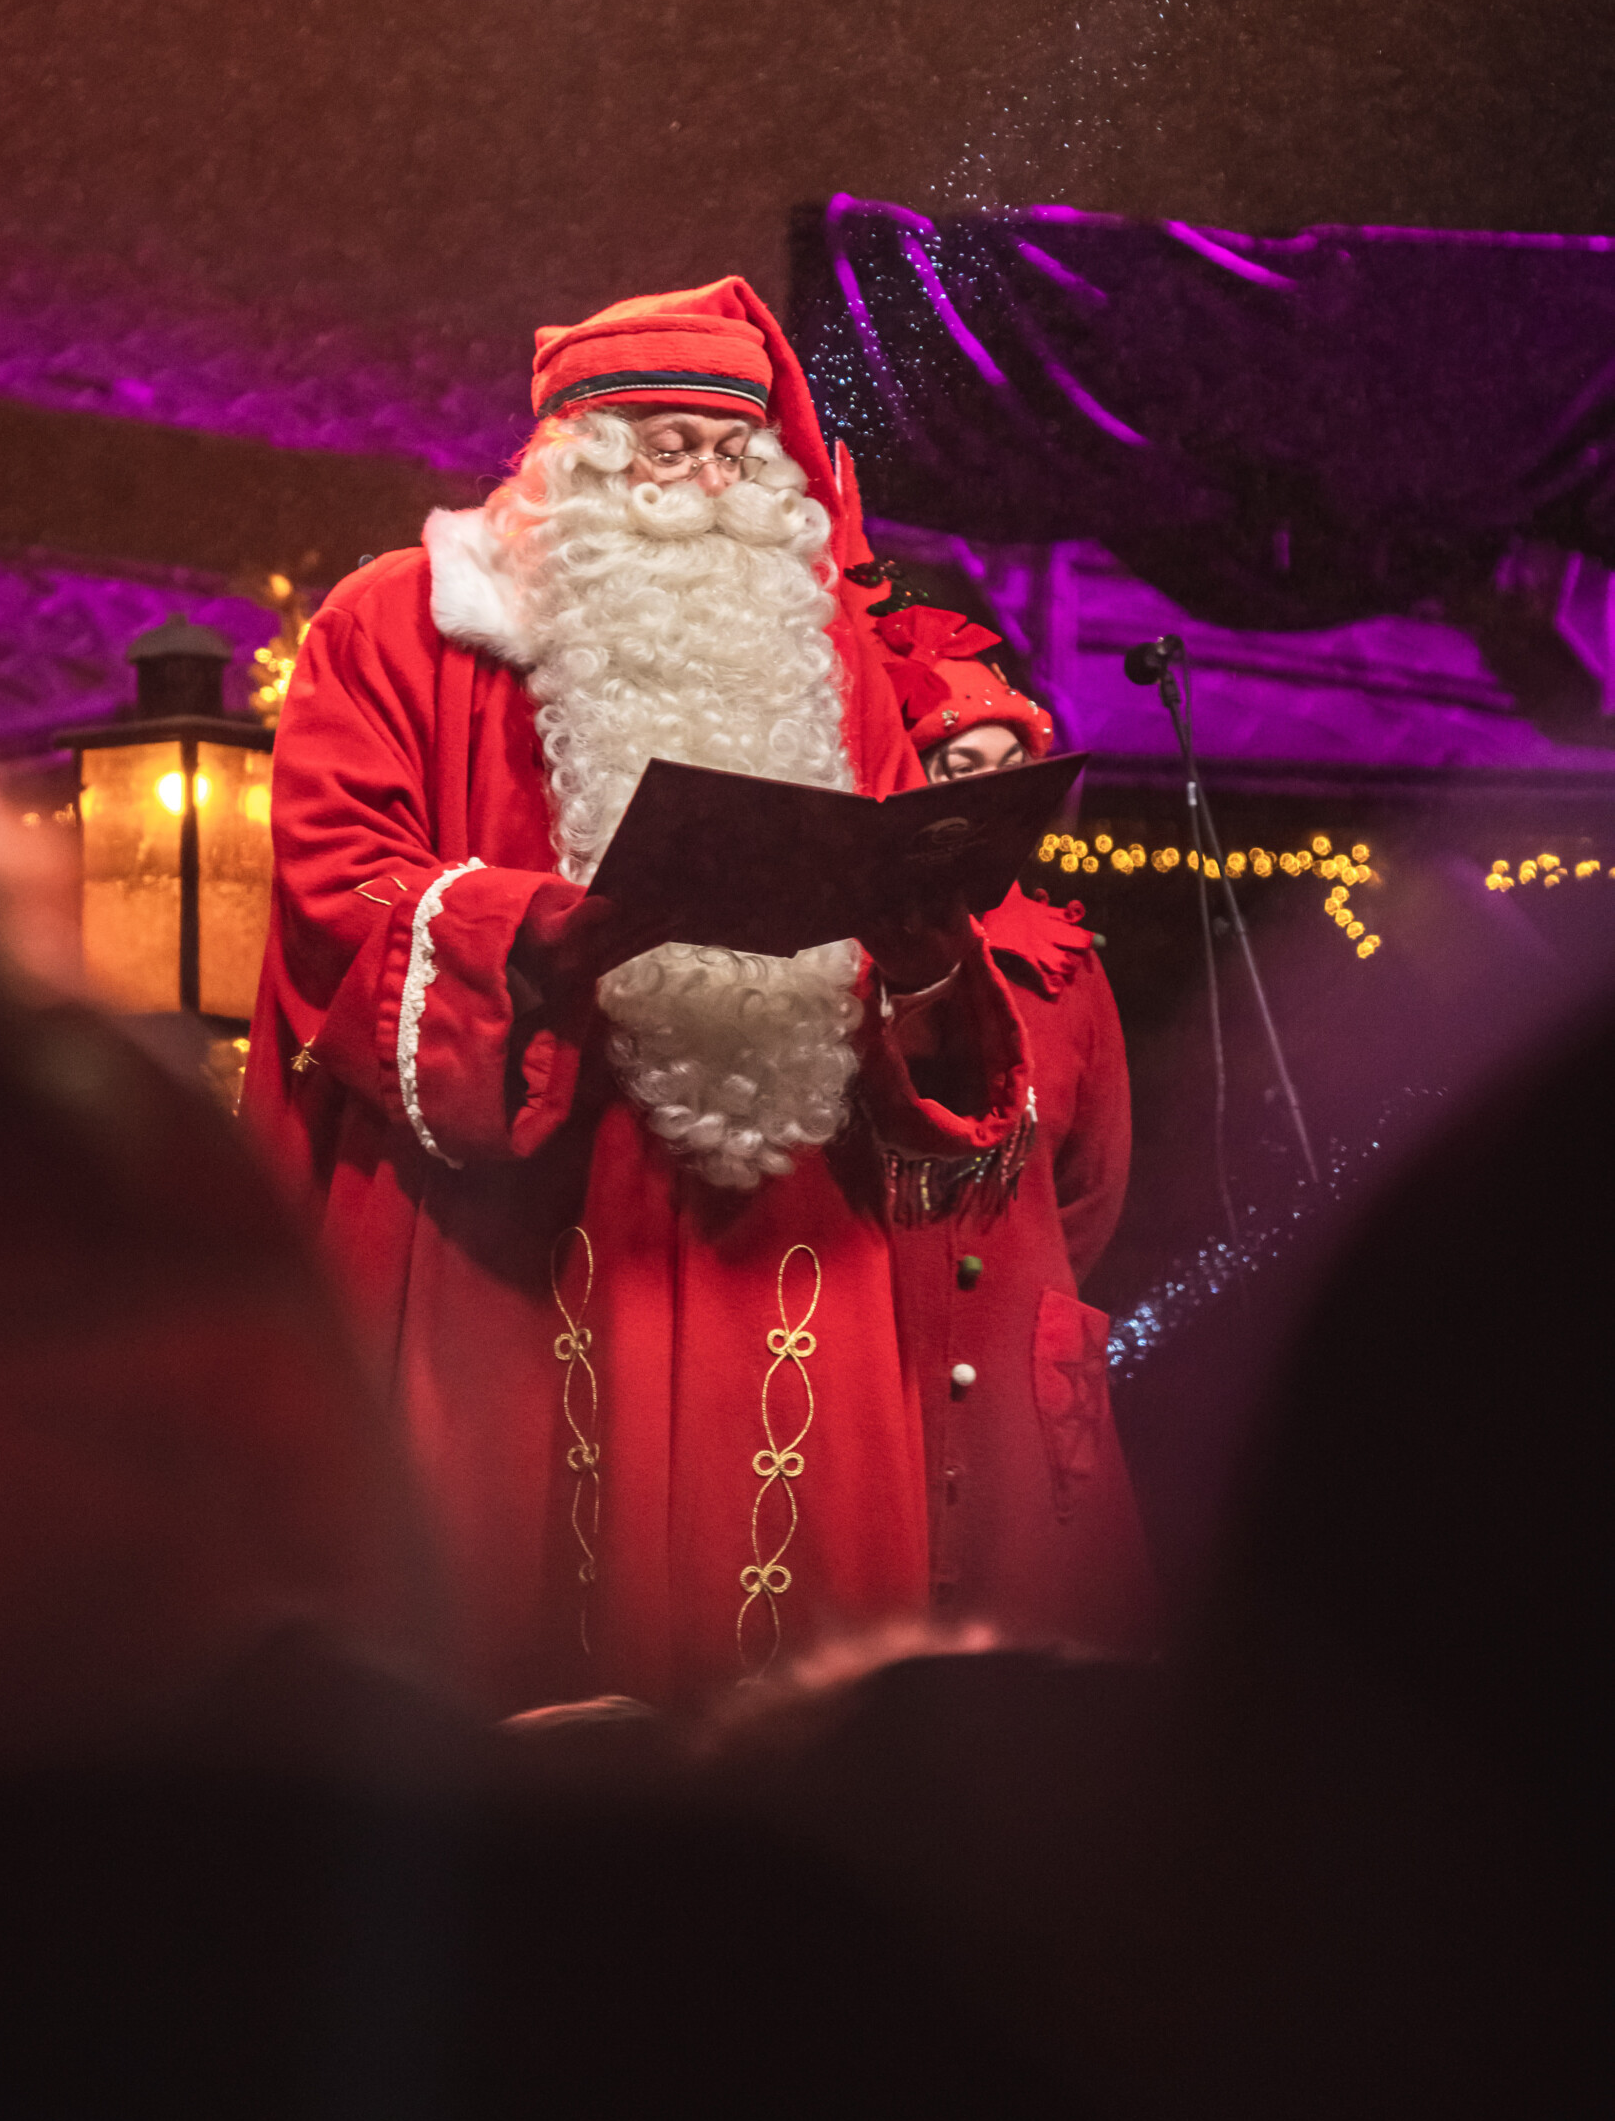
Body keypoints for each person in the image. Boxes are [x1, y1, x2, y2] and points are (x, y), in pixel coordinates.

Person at [245, 279, 1035, 1713]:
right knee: (523, 1649)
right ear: (572, 460)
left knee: (799, 1686)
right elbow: (334, 885)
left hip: (787, 1198)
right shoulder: (396, 623)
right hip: (519, 1188)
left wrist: (919, 937)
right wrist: (553, 927)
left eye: (733, 455)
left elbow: (897, 905)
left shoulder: (833, 659)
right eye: (666, 448)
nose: (706, 485)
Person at [872, 601, 1157, 1653]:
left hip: (1021, 1379)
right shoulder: (848, 963)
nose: (987, 792)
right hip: (885, 1338)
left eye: (1007, 765)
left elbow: (1094, 1185)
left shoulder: (1069, 969)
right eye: (956, 767)